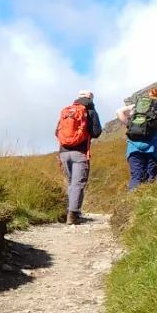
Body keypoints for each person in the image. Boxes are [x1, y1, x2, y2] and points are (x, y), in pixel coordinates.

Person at [53, 90, 102, 225]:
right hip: (80, 153)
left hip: (63, 153)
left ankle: (72, 211)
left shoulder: (67, 111)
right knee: (78, 183)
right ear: (91, 98)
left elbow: (56, 131)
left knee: (71, 183)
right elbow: (97, 132)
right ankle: (73, 215)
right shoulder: (90, 111)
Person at [118, 87, 157, 190]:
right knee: (152, 178)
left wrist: (129, 125)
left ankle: (133, 201)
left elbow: (119, 112)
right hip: (154, 147)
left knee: (137, 177)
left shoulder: (137, 106)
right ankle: (151, 203)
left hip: (133, 147)